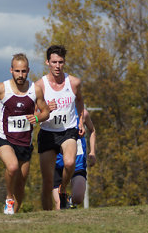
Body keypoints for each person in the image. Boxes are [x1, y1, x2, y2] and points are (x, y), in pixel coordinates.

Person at [0, 53, 50, 214]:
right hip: (4, 138)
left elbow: (46, 112)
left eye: (24, 71)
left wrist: (37, 117)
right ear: (11, 70)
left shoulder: (35, 90)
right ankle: (9, 198)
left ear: (28, 71)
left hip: (24, 142)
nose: (21, 75)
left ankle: (14, 215)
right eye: (17, 71)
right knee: (12, 167)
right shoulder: (2, 88)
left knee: (21, 182)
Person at [35, 45, 85, 210]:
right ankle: (48, 216)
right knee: (47, 180)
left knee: (70, 163)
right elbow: (33, 113)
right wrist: (46, 109)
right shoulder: (39, 86)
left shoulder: (74, 82)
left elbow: (79, 101)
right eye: (54, 62)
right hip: (48, 133)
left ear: (64, 62)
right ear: (47, 62)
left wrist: (81, 120)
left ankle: (63, 189)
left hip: (68, 131)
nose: (57, 66)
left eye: (61, 62)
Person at [52, 109, 96, 209]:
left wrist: (92, 151)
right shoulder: (55, 111)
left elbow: (92, 130)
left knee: (78, 197)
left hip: (78, 163)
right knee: (59, 205)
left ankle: (70, 201)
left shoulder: (82, 113)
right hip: (58, 163)